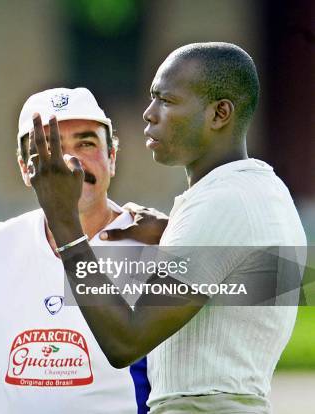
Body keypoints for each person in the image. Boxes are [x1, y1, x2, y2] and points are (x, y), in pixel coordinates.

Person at [27, 43, 307, 413]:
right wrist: (171, 237)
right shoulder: (254, 191)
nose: (149, 114)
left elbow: (126, 341)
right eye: (151, 99)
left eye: (167, 101)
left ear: (220, 113)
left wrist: (64, 223)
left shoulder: (226, 200)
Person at [0, 88, 151, 414]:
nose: (70, 163)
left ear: (111, 157)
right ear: (26, 169)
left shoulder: (154, 246)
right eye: (48, 150)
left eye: (86, 144)